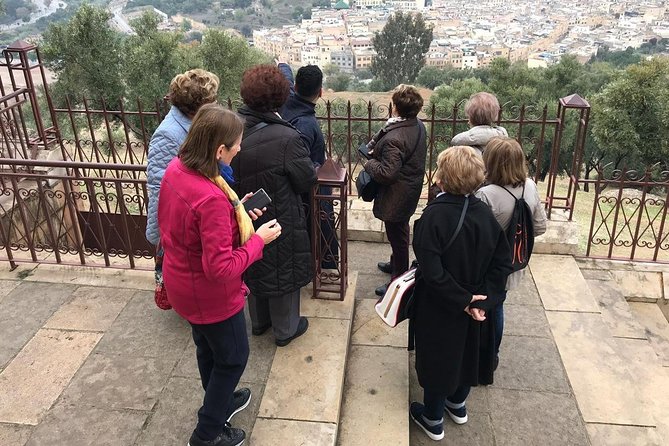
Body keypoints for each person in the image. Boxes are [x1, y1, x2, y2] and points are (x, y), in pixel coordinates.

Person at [158, 104, 282, 446]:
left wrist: (237, 210)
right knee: (233, 359)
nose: (240, 148)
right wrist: (258, 240)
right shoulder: (210, 196)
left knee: (207, 349)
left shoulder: (177, 169)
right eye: (236, 144)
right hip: (210, 296)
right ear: (218, 150)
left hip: (182, 282)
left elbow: (193, 228)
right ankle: (206, 434)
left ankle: (222, 401)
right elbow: (221, 267)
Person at [410, 146, 513, 441]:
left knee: (438, 357)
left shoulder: (434, 216)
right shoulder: (484, 214)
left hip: (440, 305)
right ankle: (458, 404)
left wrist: (462, 300)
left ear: (442, 178)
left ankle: (432, 417)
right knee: (470, 350)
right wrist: (484, 300)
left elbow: (431, 269)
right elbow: (502, 263)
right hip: (478, 305)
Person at [231, 65, 317, 347]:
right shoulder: (286, 137)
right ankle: (285, 329)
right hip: (280, 214)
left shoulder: (233, 127)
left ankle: (259, 322)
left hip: (243, 211)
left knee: (253, 261)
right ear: (281, 96)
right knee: (282, 269)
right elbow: (305, 179)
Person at [145, 69, 220, 298]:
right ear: (199, 104)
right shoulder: (168, 135)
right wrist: (159, 235)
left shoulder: (194, 123)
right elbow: (159, 187)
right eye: (213, 99)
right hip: (181, 223)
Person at [475, 137, 547, 366]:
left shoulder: (486, 195)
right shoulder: (530, 186)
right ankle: (492, 354)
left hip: (487, 266)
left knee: (486, 307)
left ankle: (482, 355)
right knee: (498, 304)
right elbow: (539, 226)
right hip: (514, 262)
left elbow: (477, 238)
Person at [362, 84, 427, 296]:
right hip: (409, 188)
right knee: (399, 232)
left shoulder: (394, 138)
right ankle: (395, 264)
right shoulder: (416, 125)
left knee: (397, 236)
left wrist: (368, 163)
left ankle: (398, 279)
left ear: (396, 107)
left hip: (397, 194)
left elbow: (387, 173)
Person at [276, 60, 338, 269]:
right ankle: (327, 264)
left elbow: (285, 76)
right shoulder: (306, 124)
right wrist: (316, 170)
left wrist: (282, 64)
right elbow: (298, 159)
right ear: (320, 92)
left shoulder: (286, 99)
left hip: (299, 182)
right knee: (321, 221)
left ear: (295, 87)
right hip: (309, 185)